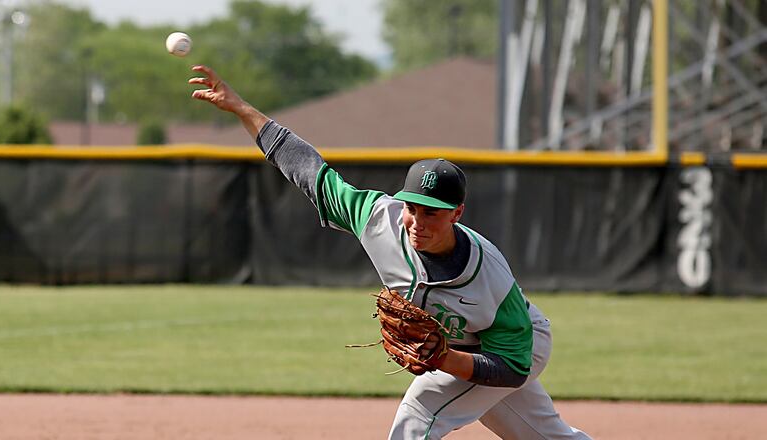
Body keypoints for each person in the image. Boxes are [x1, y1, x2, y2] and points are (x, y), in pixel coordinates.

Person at [189, 65, 591, 440]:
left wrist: (446, 360)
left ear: (457, 213)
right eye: (411, 207)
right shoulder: (380, 220)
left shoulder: (490, 279)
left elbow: (513, 367)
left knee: (419, 415)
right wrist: (242, 109)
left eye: (430, 213)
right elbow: (309, 171)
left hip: (513, 348)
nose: (416, 221)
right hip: (470, 347)